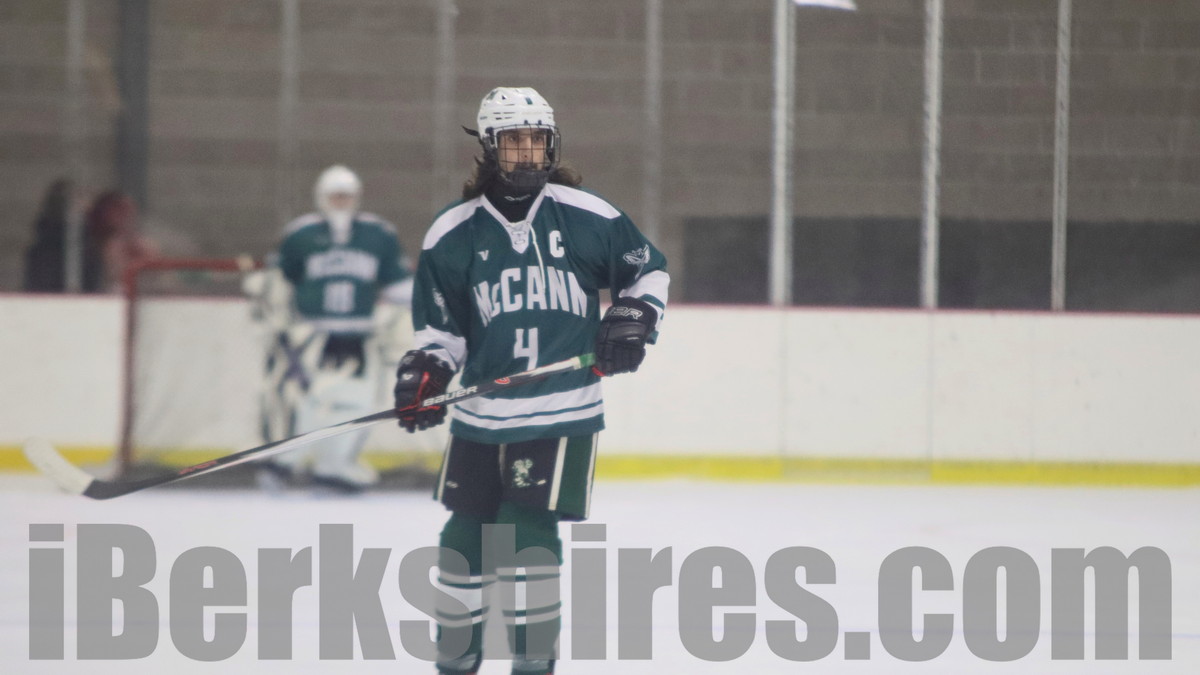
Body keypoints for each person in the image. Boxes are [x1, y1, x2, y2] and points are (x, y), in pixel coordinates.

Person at [392, 87, 669, 675]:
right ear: (489, 147)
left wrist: (633, 317)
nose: (528, 152)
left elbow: (648, 274)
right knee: (462, 542)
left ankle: (532, 666)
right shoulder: (452, 233)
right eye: (515, 140)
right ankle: (455, 664)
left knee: (525, 537)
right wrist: (428, 371)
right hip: (480, 417)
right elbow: (443, 332)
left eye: (537, 140)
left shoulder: (588, 215)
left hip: (560, 411)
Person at [254, 164, 414, 493]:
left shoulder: (377, 234)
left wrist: (432, 299)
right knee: (304, 401)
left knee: (357, 403)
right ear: (321, 197)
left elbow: (397, 283)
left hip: (358, 333)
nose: (341, 202)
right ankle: (284, 462)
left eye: (346, 195)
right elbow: (279, 283)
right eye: (335, 195)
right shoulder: (301, 234)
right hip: (312, 334)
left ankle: (333, 467)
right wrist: (276, 317)